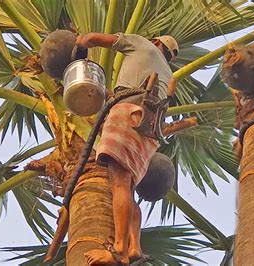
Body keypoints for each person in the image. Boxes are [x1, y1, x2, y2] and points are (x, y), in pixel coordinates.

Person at [75, 33, 179, 265]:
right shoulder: (167, 72)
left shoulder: (143, 45)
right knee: (127, 187)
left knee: (119, 183)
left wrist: (79, 48)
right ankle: (134, 247)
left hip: (128, 115)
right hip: (150, 130)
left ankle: (118, 249)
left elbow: (92, 38)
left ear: (157, 43)